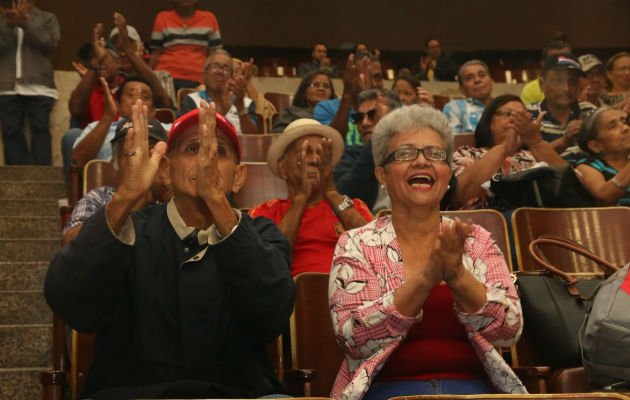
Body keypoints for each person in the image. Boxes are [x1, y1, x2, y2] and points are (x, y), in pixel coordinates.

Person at [45, 101, 295, 399]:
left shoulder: (262, 235)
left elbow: (271, 317)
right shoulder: (127, 231)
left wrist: (217, 201)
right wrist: (126, 195)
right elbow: (69, 300)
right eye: (192, 149)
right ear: (165, 170)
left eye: (219, 152)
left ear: (239, 177)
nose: (206, 160)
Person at [328, 105, 525, 400]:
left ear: (447, 175)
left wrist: (457, 275)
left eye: (435, 154)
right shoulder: (357, 244)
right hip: (385, 391)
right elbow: (353, 338)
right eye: (406, 154)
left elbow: (509, 330)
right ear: (381, 174)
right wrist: (426, 278)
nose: (422, 162)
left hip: (473, 392)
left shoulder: (475, 240)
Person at [249, 119, 372, 276]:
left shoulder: (353, 206)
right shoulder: (264, 213)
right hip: (292, 298)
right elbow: (267, 266)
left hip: (354, 294)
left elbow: (378, 251)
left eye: (320, 154)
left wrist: (331, 193)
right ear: (283, 168)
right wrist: (300, 199)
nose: (314, 160)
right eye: (306, 152)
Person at [62, 117, 173, 245]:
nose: (142, 162)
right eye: (132, 153)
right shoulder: (99, 197)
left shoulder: (174, 195)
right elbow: (70, 246)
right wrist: (132, 197)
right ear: (115, 164)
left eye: (151, 153)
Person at [452, 94, 567, 209]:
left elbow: (572, 189)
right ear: (489, 120)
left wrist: (536, 142)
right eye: (508, 113)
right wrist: (504, 148)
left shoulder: (532, 154)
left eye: (522, 117)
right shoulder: (466, 153)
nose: (514, 120)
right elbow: (460, 197)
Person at [0, 0, 59, 165]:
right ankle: (16, 180)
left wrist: (25, 22)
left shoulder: (48, 18)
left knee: (40, 130)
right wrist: (9, 24)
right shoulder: (3, 19)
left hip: (39, 87)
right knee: (10, 131)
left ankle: (42, 176)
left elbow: (49, 44)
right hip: (6, 86)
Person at [72, 76, 171, 168]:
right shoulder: (96, 127)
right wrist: (107, 116)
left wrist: (151, 127)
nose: (138, 100)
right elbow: (78, 161)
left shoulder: (167, 129)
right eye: (131, 95)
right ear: (117, 105)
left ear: (153, 111)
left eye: (145, 97)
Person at [526, 54, 596, 156]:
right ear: (542, 85)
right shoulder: (528, 115)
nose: (566, 88)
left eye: (572, 81)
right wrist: (563, 141)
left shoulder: (590, 112)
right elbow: (522, 163)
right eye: (558, 81)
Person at [149, 0, 222, 92]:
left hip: (198, 77)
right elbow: (156, 52)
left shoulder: (209, 18)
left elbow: (215, 54)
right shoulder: (162, 17)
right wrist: (148, 78)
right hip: (166, 76)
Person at [314, 52, 383, 146]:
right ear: (349, 78)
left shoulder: (393, 106)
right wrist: (348, 94)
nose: (374, 84)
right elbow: (330, 145)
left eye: (378, 77)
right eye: (367, 77)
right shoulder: (326, 107)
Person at [181, 50, 258, 134]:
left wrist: (241, 108)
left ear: (232, 76)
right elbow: (191, 135)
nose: (220, 71)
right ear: (204, 75)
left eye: (226, 68)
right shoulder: (191, 100)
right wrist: (223, 110)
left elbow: (252, 137)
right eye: (214, 66)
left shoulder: (246, 103)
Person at [111, 12, 174, 109]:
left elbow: (166, 108)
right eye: (118, 49)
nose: (123, 53)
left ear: (141, 48)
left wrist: (129, 51)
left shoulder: (162, 75)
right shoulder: (109, 79)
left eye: (129, 47)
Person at [576, 107, 630, 206]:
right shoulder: (588, 166)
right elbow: (604, 198)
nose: (626, 128)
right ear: (596, 146)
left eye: (624, 122)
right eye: (613, 126)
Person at [271, 71, 336, 133]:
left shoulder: (339, 116)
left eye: (326, 86)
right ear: (304, 91)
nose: (321, 89)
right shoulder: (290, 113)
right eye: (315, 85)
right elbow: (277, 137)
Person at [443, 60, 494, 133]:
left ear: (492, 82)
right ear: (461, 89)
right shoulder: (455, 107)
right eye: (470, 78)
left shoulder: (504, 106)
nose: (477, 80)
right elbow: (453, 141)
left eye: (482, 75)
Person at [520, 40, 571, 105]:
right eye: (554, 60)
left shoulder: (580, 83)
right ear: (543, 64)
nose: (560, 63)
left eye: (564, 60)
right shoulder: (530, 90)